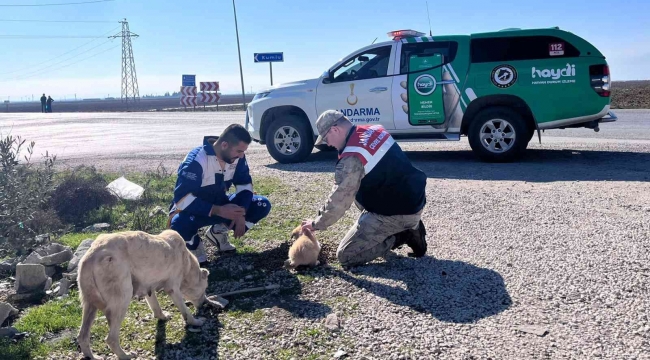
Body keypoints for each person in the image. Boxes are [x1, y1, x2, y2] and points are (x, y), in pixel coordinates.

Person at [301, 110, 428, 267]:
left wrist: (316, 223)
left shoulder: (352, 157)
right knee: (360, 189)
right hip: (414, 198)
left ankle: (403, 234)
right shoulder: (374, 130)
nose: (328, 144)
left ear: (335, 129)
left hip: (399, 212)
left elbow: (340, 199)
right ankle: (406, 224)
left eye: (326, 138)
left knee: (346, 255)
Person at [168, 124, 271, 264]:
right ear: (224, 145)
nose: (241, 156)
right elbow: (181, 199)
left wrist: (241, 212)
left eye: (243, 152)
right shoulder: (196, 161)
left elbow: (245, 186)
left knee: (262, 204)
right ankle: (194, 245)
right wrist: (218, 210)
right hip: (196, 210)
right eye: (239, 151)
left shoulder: (237, 157)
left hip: (221, 205)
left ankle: (218, 232)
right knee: (178, 224)